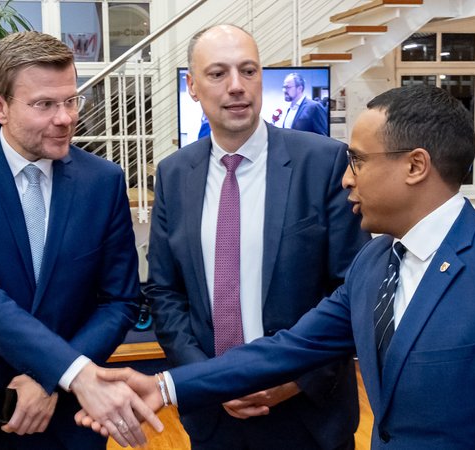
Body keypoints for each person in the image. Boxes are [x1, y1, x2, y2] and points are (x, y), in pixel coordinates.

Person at [81, 85, 475, 448]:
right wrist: (165, 386)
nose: (346, 179)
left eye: (358, 160)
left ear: (415, 166)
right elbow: (289, 347)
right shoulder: (375, 263)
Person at [0, 31, 160, 450]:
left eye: (71, 100)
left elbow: (120, 301)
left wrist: (51, 381)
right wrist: (70, 371)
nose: (65, 118)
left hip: (71, 416)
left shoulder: (104, 181)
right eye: (44, 104)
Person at [144, 24, 369, 450]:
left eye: (248, 71)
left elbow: (351, 288)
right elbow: (165, 291)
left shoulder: (323, 162)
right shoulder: (174, 174)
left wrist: (295, 378)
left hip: (307, 416)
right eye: (217, 74)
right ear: (191, 86)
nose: (236, 87)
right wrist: (211, 381)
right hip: (214, 418)